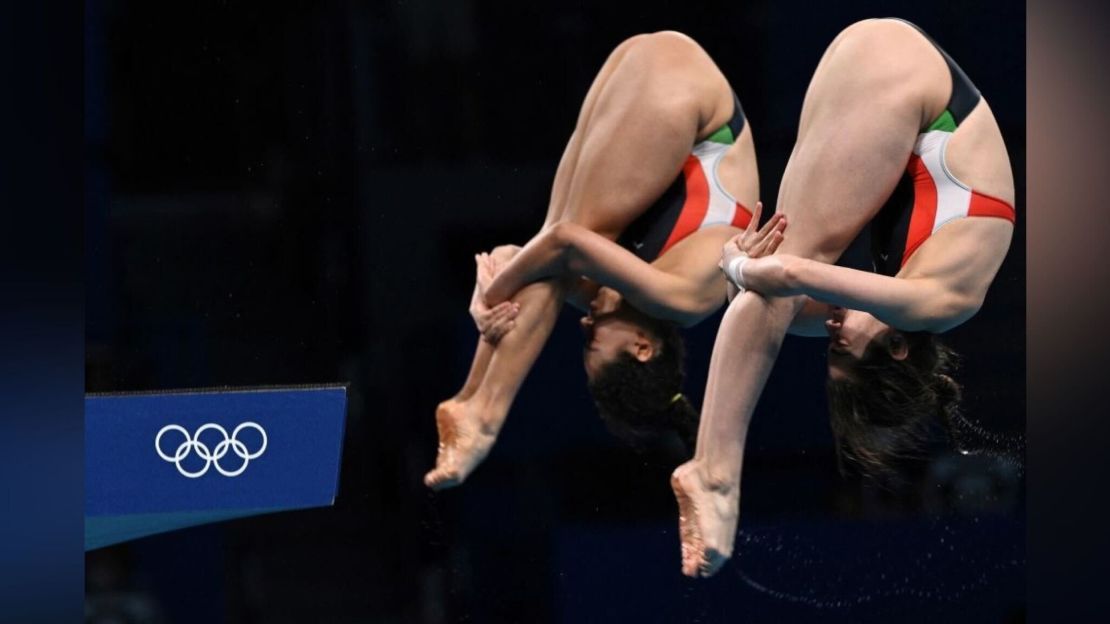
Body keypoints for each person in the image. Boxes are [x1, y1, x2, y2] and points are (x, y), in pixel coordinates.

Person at [671, 18, 1016, 577]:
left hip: (878, 68)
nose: (832, 335)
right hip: (906, 79)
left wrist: (741, 273)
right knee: (782, 285)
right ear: (897, 348)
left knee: (778, 298)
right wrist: (738, 265)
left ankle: (711, 466)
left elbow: (771, 291)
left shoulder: (898, 310)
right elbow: (782, 277)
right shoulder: (940, 302)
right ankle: (715, 471)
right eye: (842, 352)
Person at [424, 31, 784, 490]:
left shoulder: (607, 292)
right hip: (697, 105)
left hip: (635, 67)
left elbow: (523, 257)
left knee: (552, 263)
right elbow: (565, 242)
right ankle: (485, 413)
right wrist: (494, 292)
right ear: (642, 347)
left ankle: (470, 395)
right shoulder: (687, 299)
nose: (584, 327)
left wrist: (491, 290)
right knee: (566, 241)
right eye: (595, 343)